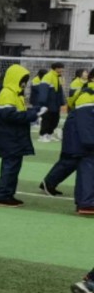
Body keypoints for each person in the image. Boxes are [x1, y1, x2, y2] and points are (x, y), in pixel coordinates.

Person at [38, 78, 94, 215]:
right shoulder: (88, 95)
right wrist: (91, 142)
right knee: (83, 164)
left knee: (76, 163)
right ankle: (86, 202)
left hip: (78, 136)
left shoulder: (87, 92)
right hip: (80, 138)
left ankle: (83, 201)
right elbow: (85, 122)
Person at [0, 64, 42, 207]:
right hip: (9, 137)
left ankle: (7, 194)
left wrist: (34, 111)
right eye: (23, 79)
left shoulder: (14, 93)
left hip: (13, 136)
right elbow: (10, 115)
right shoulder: (7, 93)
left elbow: (17, 113)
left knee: (12, 167)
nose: (25, 83)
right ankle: (2, 196)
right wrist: (33, 114)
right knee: (10, 167)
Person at [34, 63, 66, 143]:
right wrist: (43, 103)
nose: (62, 70)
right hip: (49, 103)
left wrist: (62, 101)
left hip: (56, 103)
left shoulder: (59, 77)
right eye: (61, 68)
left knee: (55, 120)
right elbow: (43, 90)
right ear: (56, 68)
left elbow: (60, 91)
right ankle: (42, 135)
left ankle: (49, 134)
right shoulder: (48, 76)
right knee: (47, 119)